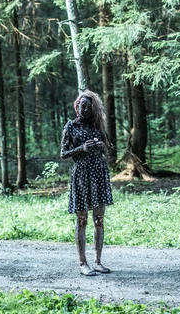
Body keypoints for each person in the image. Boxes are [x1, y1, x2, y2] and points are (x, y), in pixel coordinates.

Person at [60, 90, 113, 276]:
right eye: (83, 106)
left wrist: (102, 145)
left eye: (89, 107)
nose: (85, 109)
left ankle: (98, 261)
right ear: (77, 106)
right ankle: (83, 262)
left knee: (99, 220)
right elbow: (63, 153)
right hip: (81, 175)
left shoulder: (97, 126)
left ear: (93, 109)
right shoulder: (71, 126)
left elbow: (109, 147)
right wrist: (81, 148)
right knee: (81, 220)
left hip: (98, 174)